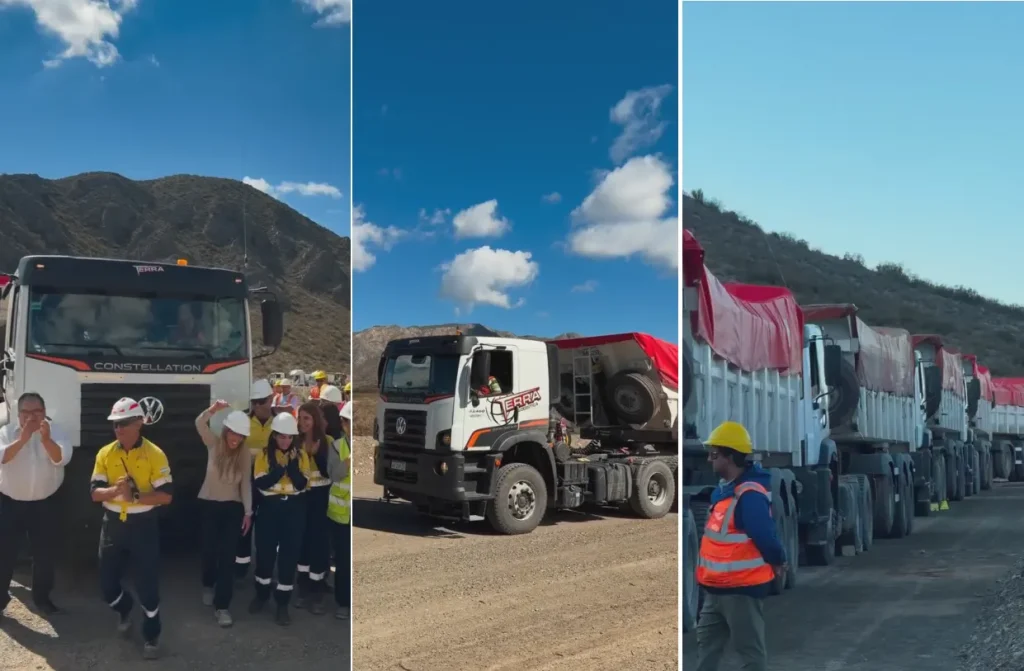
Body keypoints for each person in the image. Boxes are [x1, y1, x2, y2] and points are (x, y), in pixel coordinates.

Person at [695, 421, 786, 671]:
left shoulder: (749, 495)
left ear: (731, 457)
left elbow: (765, 535)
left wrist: (779, 560)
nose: (709, 460)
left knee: (750, 654)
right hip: (715, 590)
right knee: (706, 652)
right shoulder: (725, 492)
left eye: (714, 454)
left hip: (740, 591)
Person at [90, 397, 174, 660]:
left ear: (139, 423)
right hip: (113, 523)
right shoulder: (105, 453)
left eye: (124, 423)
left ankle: (152, 635)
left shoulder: (155, 454)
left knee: (147, 584)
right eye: (115, 423)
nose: (118, 428)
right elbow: (95, 493)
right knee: (107, 585)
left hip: (143, 525)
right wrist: (115, 491)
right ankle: (125, 608)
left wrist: (135, 497)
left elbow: (166, 496)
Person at [0, 392, 72, 618]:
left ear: (44, 412)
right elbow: (2, 457)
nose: (31, 417)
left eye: (37, 412)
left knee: (44, 555)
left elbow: (62, 458)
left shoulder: (55, 431)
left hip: (44, 504)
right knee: (4, 554)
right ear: (18, 414)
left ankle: (42, 599)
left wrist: (45, 439)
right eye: (26, 412)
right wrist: (23, 439)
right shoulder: (5, 432)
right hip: (10, 502)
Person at [195, 401, 253, 627]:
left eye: (240, 435)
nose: (236, 439)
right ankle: (208, 584)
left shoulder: (244, 453)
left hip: (232, 508)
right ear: (226, 430)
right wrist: (213, 410)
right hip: (209, 504)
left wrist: (248, 512)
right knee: (209, 551)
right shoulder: (214, 443)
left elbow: (245, 483)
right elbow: (199, 423)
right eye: (233, 433)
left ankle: (222, 607)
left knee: (227, 557)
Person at [249, 412, 310, 625]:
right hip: (269, 509)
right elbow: (260, 483)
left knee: (288, 557)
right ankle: (261, 595)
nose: (285, 441)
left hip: (293, 510)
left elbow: (302, 484)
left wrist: (292, 469)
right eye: (282, 437)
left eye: (289, 437)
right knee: (264, 554)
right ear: (274, 435)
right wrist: (279, 471)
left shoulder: (301, 456)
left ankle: (282, 603)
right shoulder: (263, 455)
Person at [235, 379, 277, 579]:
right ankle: (240, 565)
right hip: (247, 481)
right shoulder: (243, 421)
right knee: (244, 524)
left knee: (266, 530)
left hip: (271, 482)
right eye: (254, 402)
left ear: (271, 399)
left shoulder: (279, 422)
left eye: (262, 401)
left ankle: (264, 569)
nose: (258, 406)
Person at [294, 401, 333, 614]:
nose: (302, 422)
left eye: (306, 418)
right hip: (301, 498)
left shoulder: (327, 442)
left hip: (320, 498)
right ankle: (303, 589)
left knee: (318, 544)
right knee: (302, 543)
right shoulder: (295, 442)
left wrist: (317, 454)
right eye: (300, 418)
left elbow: (330, 473)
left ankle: (317, 591)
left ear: (315, 420)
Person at [327, 401, 352, 621]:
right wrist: (348, 462)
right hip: (341, 516)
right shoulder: (336, 446)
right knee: (343, 562)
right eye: (348, 422)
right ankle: (343, 603)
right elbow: (334, 475)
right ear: (343, 424)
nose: (350, 426)